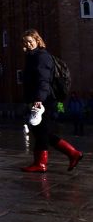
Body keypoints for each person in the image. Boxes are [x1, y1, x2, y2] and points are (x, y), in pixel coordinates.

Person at [20, 29, 82, 172]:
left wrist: (39, 99)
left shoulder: (41, 57)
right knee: (40, 131)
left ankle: (41, 163)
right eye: (25, 42)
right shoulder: (32, 56)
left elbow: (44, 80)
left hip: (45, 100)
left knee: (41, 131)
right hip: (38, 99)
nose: (28, 44)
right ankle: (73, 153)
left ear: (37, 40)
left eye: (30, 41)